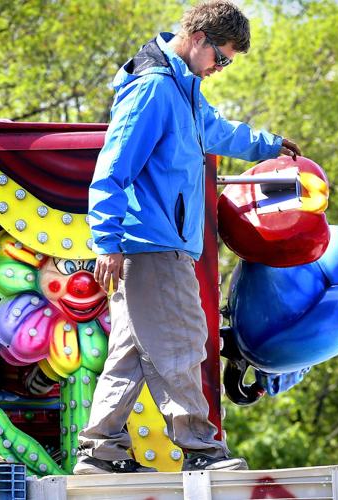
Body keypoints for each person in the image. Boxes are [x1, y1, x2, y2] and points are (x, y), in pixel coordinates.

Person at [76, 1, 302, 474]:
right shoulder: (155, 90)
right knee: (183, 339)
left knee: (132, 353)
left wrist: (268, 145)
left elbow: (217, 131)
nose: (220, 69)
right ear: (198, 38)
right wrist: (107, 241)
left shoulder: (183, 90)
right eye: (220, 58)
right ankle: (200, 450)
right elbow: (113, 169)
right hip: (153, 242)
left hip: (155, 241)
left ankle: (100, 450)